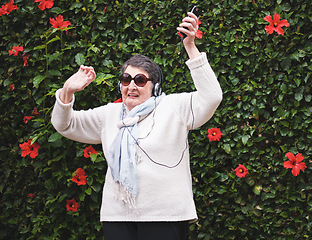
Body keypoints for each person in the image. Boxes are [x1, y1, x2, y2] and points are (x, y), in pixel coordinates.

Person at [51, 11, 222, 240]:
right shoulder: (109, 115)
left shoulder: (174, 106)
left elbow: (212, 97)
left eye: (140, 80)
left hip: (165, 215)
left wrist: (190, 46)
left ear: (155, 86)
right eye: (125, 79)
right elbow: (64, 125)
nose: (131, 86)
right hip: (117, 216)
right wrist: (67, 90)